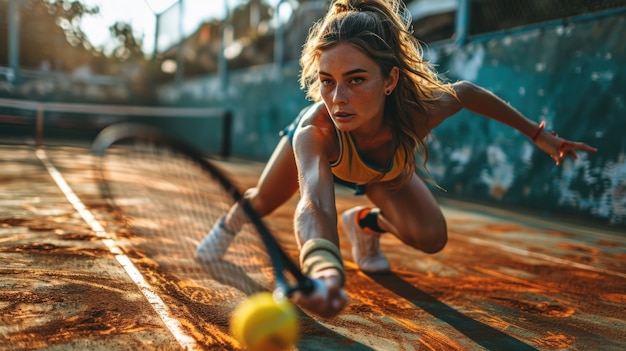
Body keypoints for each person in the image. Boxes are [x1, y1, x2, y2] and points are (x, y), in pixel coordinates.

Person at [196, 0, 597, 318]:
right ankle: (227, 224)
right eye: (327, 81)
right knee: (263, 202)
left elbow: (468, 93)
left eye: (356, 80)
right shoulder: (315, 130)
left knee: (431, 237)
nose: (338, 99)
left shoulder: (419, 111)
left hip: (382, 172)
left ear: (389, 80)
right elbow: (315, 203)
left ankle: (365, 224)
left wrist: (538, 134)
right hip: (330, 159)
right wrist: (324, 272)